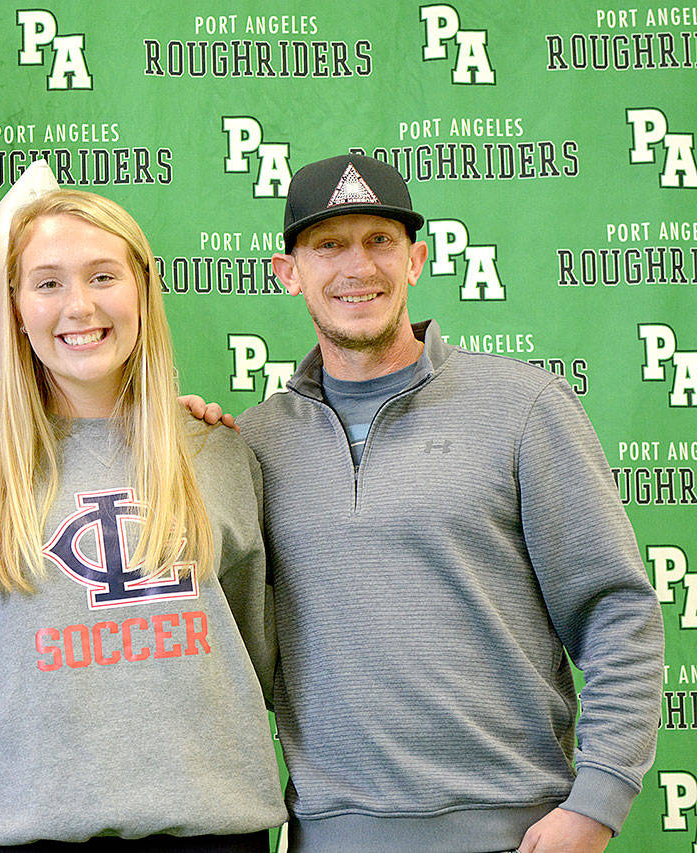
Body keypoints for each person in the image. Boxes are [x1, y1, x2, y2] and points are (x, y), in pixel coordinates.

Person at [233, 153, 665, 852]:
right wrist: (186, 440)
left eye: (380, 241)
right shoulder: (254, 442)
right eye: (329, 245)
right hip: (331, 837)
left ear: (415, 260)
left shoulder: (525, 406)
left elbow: (616, 612)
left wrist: (597, 803)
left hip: (516, 832)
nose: (357, 267)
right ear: (289, 273)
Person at [0, 189, 285, 852]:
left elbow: (263, 655)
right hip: (28, 834)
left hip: (211, 832)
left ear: (143, 290)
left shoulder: (220, 453)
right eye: (48, 283)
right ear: (17, 306)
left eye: (103, 276)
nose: (79, 306)